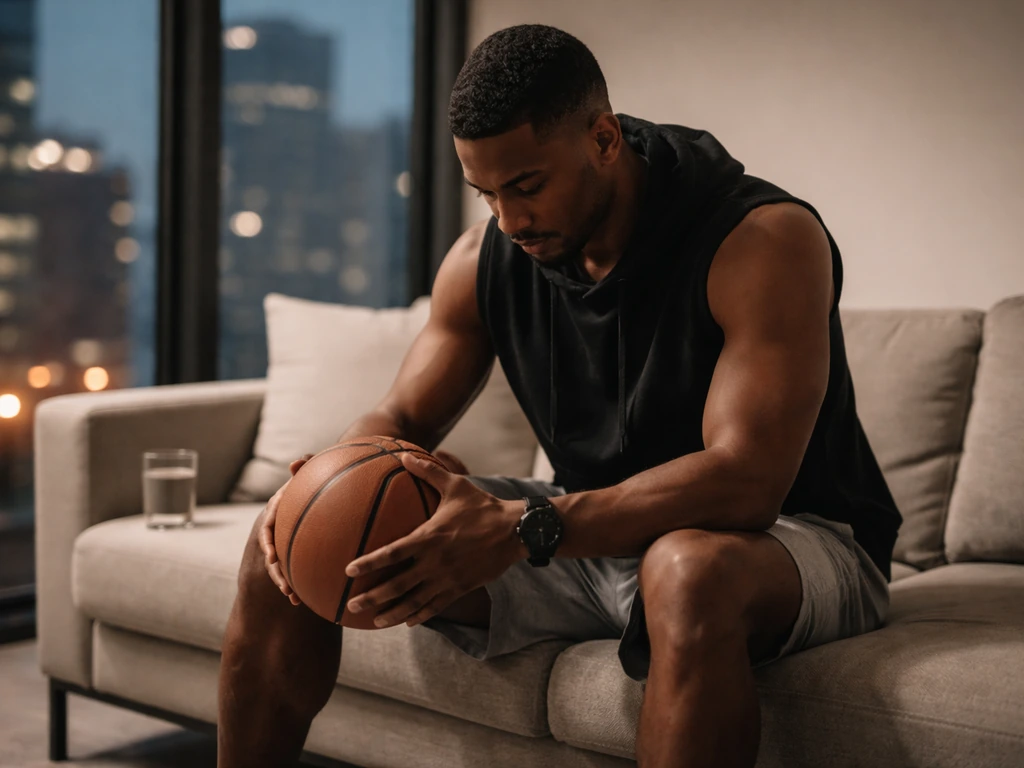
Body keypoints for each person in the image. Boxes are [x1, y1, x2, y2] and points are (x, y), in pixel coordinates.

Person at [217, 24, 902, 768]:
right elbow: (403, 416)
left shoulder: (759, 239)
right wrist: (326, 482)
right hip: (584, 530)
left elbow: (747, 481)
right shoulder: (485, 256)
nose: (509, 221)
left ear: (603, 139)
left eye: (527, 186)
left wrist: (525, 527)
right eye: (486, 194)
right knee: (288, 536)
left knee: (687, 571)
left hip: (785, 543)